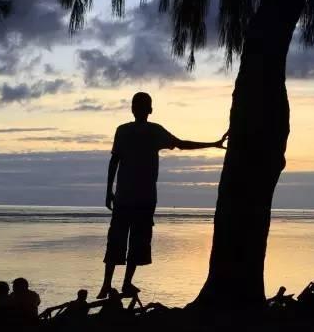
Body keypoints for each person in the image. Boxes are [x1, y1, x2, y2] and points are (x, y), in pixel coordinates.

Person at [97, 92, 227, 299]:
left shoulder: (129, 131)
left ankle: (111, 285)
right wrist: (212, 144)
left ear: (136, 109)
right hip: (139, 198)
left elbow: (114, 162)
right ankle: (120, 284)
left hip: (129, 197)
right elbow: (181, 144)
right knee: (131, 242)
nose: (139, 109)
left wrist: (108, 192)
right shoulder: (146, 131)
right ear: (149, 110)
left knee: (121, 241)